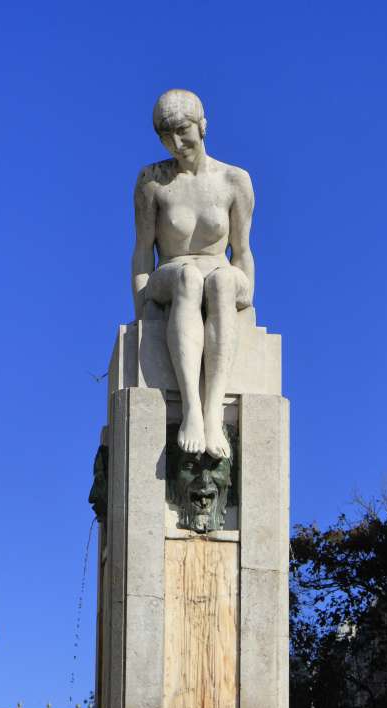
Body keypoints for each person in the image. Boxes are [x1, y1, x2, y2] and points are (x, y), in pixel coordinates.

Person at [132, 89, 255, 461]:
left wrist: (245, 291)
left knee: (218, 280)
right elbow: (142, 253)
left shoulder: (235, 180)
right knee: (190, 278)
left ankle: (214, 411)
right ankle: (191, 409)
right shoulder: (152, 181)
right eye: (165, 134)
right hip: (172, 274)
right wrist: (142, 312)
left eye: (182, 130)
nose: (176, 142)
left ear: (202, 125)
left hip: (220, 272)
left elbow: (242, 250)